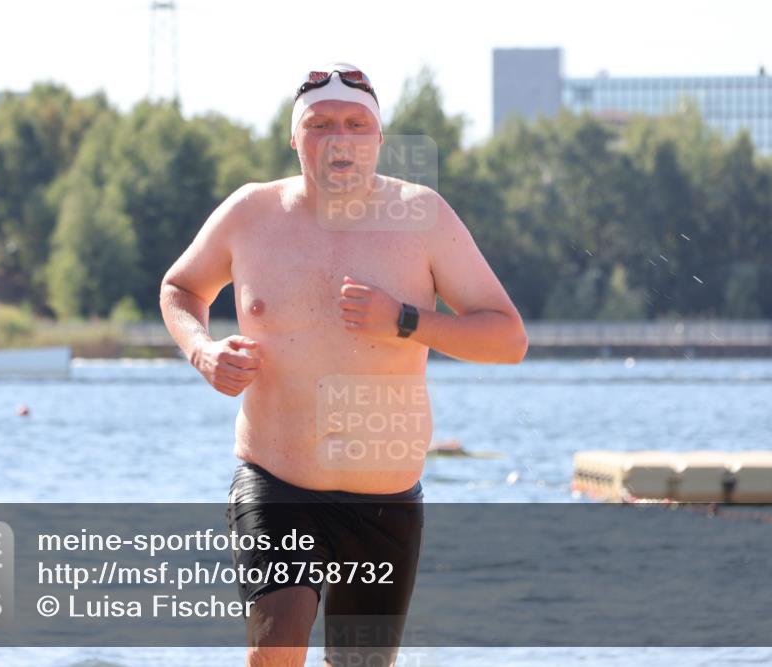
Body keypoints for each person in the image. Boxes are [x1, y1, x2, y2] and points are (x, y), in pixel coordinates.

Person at [159, 63, 527, 667]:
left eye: (356, 124)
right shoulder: (251, 213)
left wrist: (405, 321)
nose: (339, 138)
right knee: (275, 647)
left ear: (379, 140)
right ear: (294, 137)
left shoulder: (424, 218)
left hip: (383, 499)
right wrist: (203, 350)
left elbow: (507, 339)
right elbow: (180, 288)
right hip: (276, 479)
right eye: (320, 123)